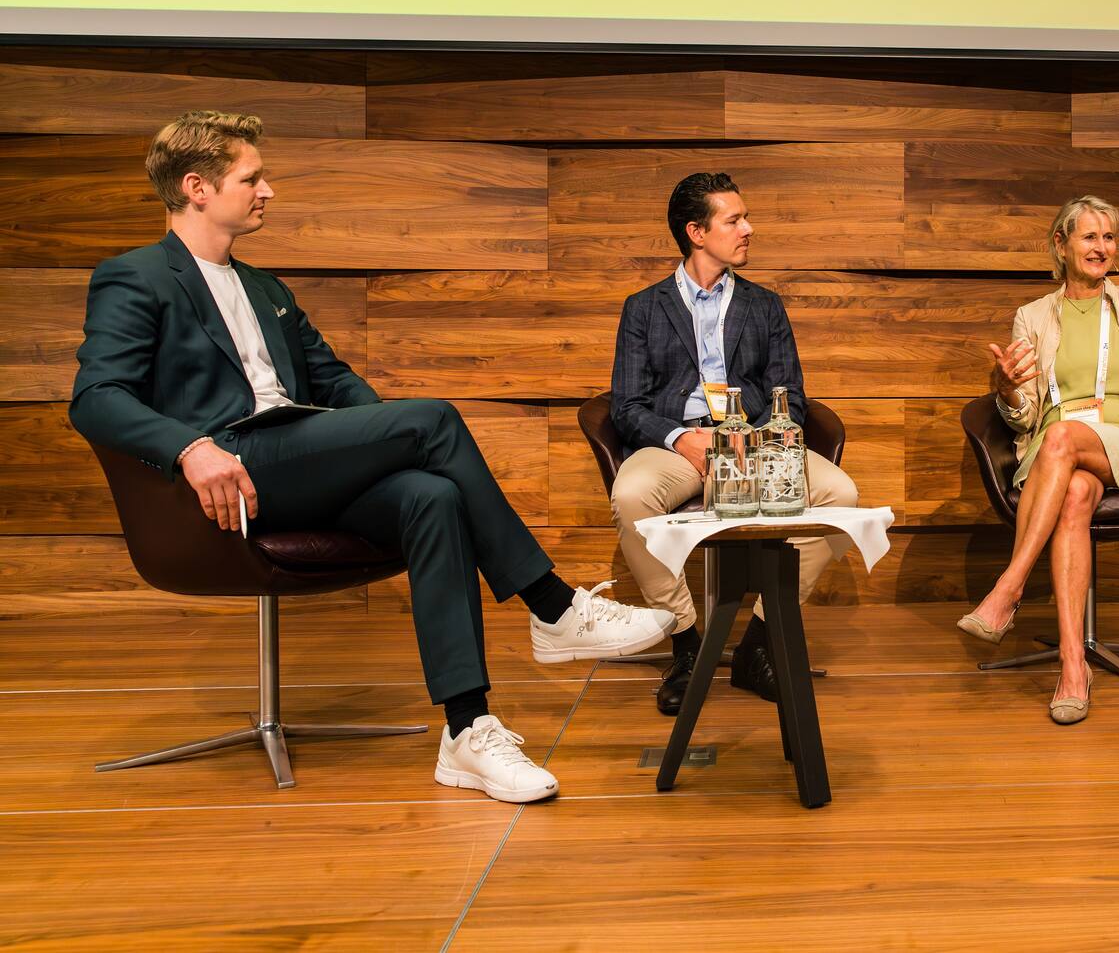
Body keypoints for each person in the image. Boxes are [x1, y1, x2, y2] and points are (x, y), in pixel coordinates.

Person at [69, 111, 673, 803]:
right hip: (231, 472)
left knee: (431, 494)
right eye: (252, 177)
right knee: (434, 421)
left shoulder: (267, 291)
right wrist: (190, 447)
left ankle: (467, 733)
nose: (269, 190)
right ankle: (552, 605)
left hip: (296, 460)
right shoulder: (135, 278)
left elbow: (335, 382)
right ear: (197, 187)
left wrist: (378, 446)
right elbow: (95, 399)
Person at [608, 172, 860, 716]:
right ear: (697, 232)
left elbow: (790, 394)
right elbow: (626, 407)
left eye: (745, 217)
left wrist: (753, 436)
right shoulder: (643, 308)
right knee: (631, 496)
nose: (749, 228)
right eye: (734, 219)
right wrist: (681, 438)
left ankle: (757, 643)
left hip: (754, 444)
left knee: (842, 495)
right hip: (679, 447)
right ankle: (686, 643)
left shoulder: (764, 306)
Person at [960, 197, 1119, 725]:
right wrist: (1005, 390)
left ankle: (1009, 588)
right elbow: (1025, 414)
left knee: (1062, 438)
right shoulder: (1031, 316)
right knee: (1070, 483)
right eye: (1090, 237)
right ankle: (1075, 669)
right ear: (1061, 244)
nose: (1102, 248)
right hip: (1056, 452)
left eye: (1109, 238)